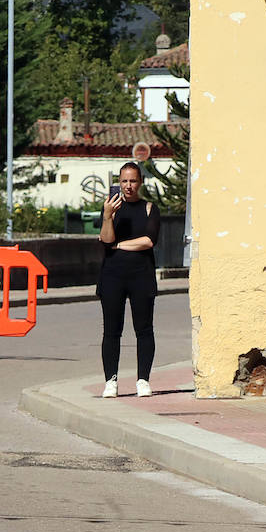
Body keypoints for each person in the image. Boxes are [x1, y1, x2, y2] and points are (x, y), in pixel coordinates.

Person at [98, 161, 160, 398]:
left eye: (133, 181)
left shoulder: (149, 208)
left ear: (140, 182)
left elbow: (149, 240)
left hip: (141, 275)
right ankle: (110, 381)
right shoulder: (111, 208)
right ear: (118, 183)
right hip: (112, 275)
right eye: (124, 181)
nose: (128, 186)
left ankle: (143, 380)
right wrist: (107, 216)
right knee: (112, 331)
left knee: (144, 329)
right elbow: (105, 240)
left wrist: (120, 245)